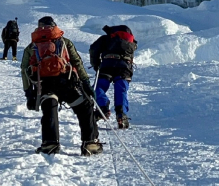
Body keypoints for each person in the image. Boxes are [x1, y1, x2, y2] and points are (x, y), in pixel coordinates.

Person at [21, 16, 101, 155]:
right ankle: (90, 143)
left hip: (44, 85)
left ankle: (50, 144)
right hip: (67, 83)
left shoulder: (32, 46)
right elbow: (77, 62)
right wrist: (85, 83)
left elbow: (24, 70)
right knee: (85, 107)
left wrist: (29, 93)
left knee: (49, 110)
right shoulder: (64, 42)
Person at [89, 24, 137, 129]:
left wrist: (96, 64)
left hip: (107, 65)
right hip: (124, 67)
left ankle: (103, 107)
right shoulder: (131, 42)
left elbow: (93, 49)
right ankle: (121, 115)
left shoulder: (106, 38)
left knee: (99, 87)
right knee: (121, 89)